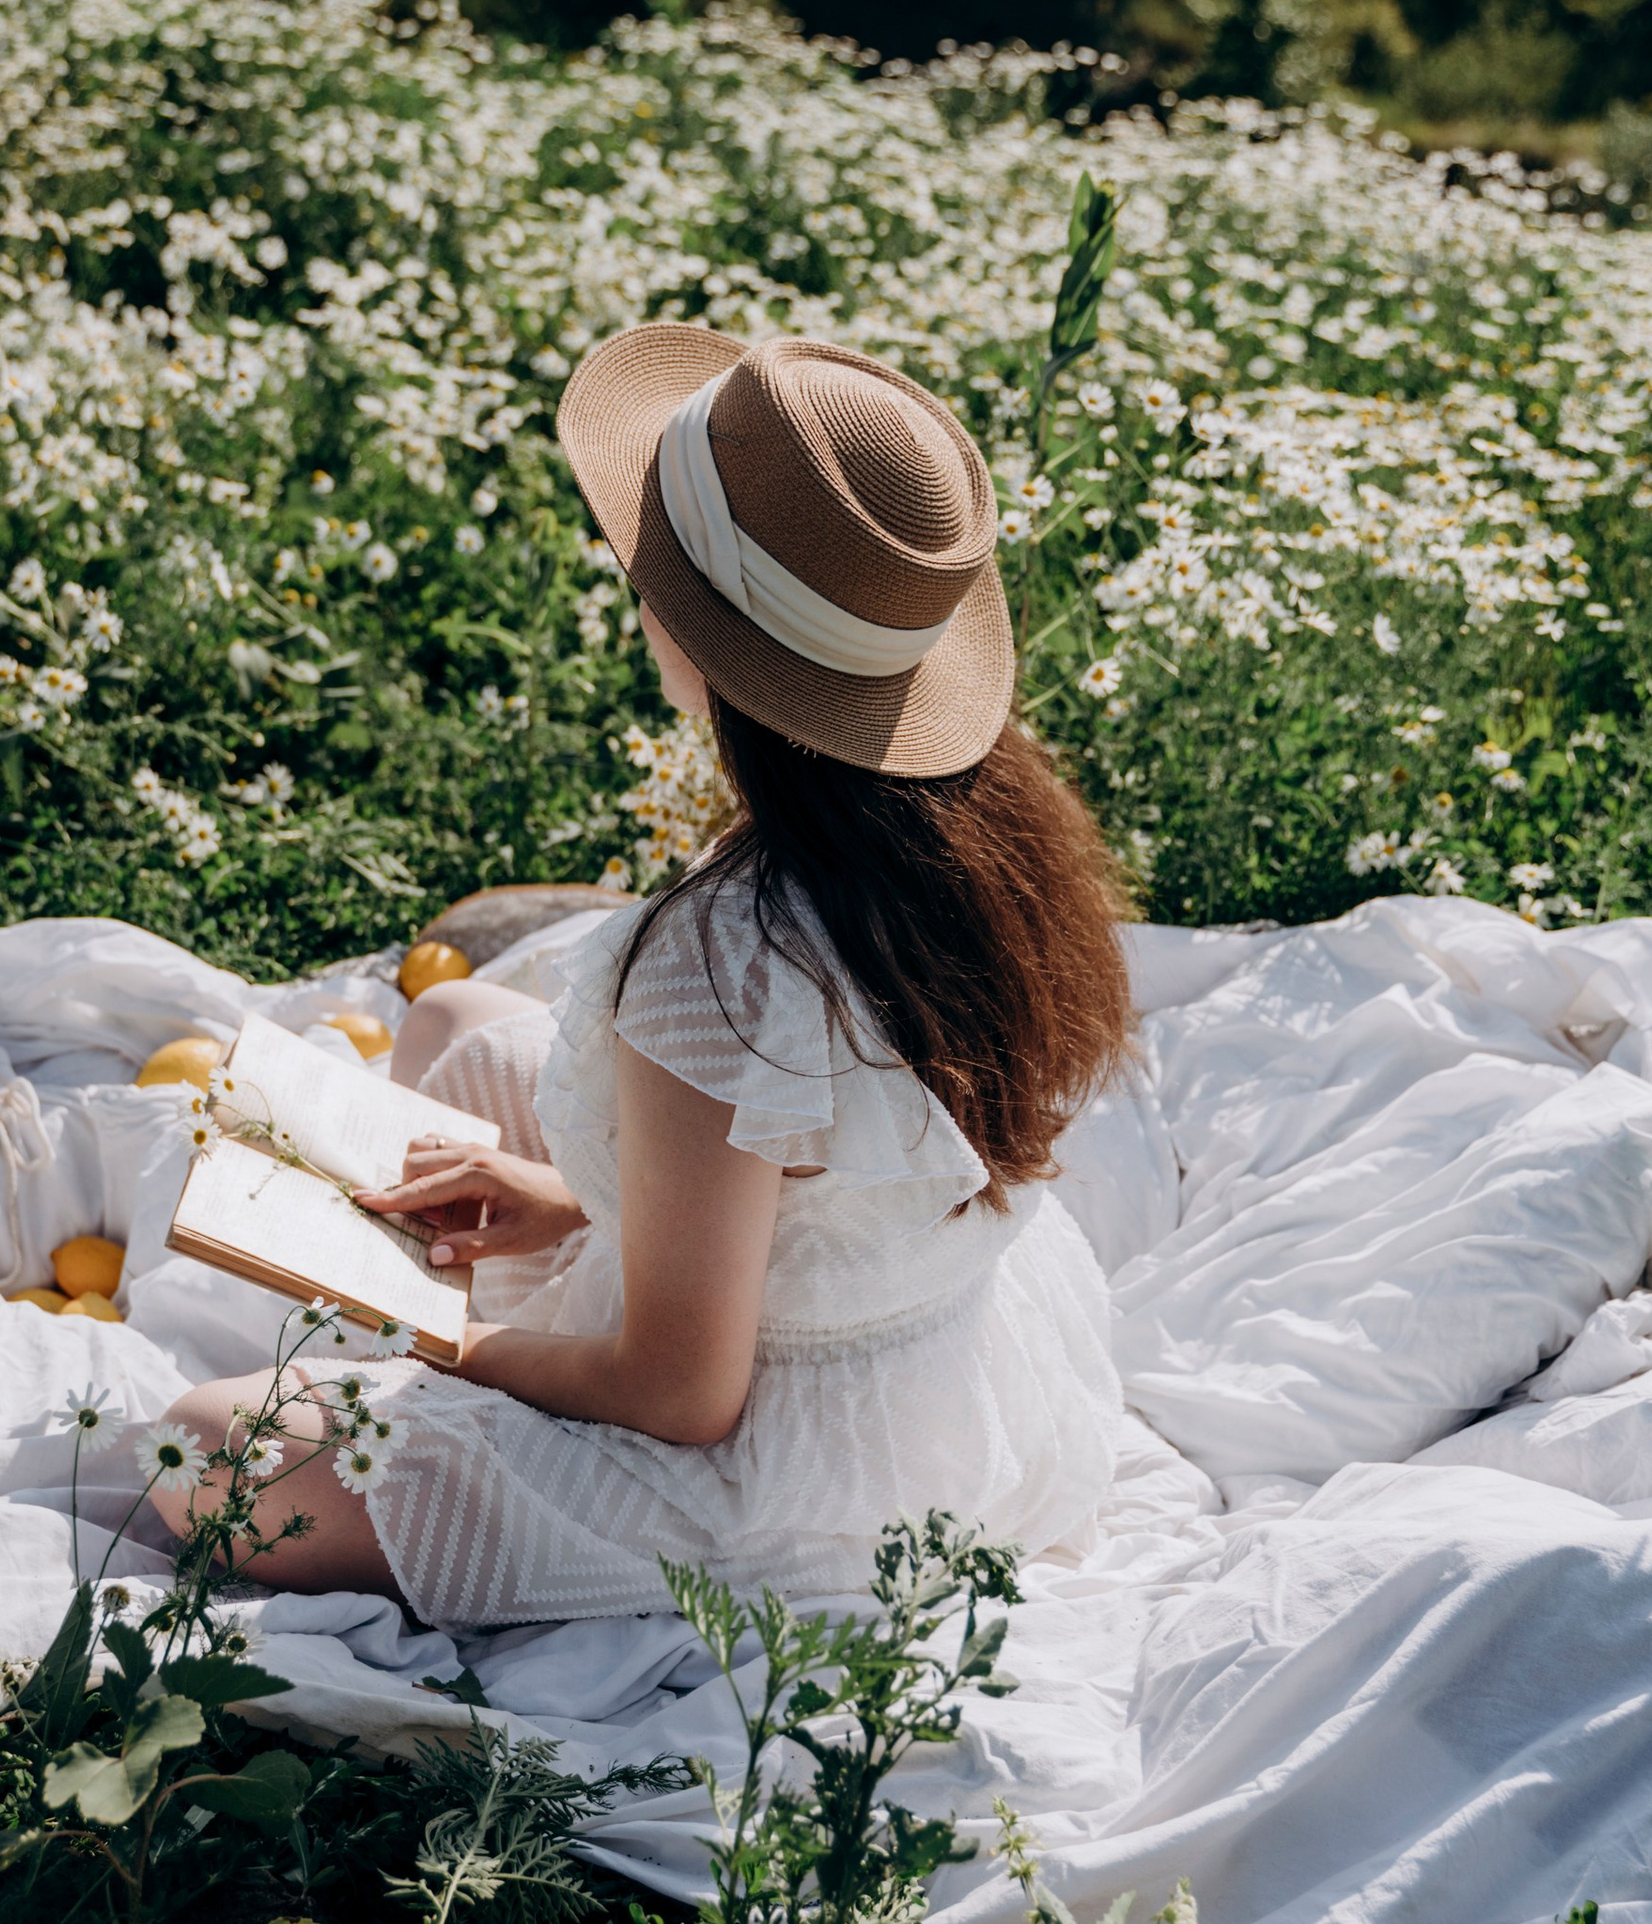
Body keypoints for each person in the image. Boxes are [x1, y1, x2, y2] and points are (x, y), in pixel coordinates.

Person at [150, 324, 1134, 1625]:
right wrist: (561, 1199)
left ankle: (470, 1371)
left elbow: (684, 1396)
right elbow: (811, 1165)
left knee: (208, 1458)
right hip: (920, 1339)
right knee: (449, 1016)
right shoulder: (980, 832)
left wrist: (441, 1347)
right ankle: (549, 1251)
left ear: (689, 626)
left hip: (789, 1468)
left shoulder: (718, 971)